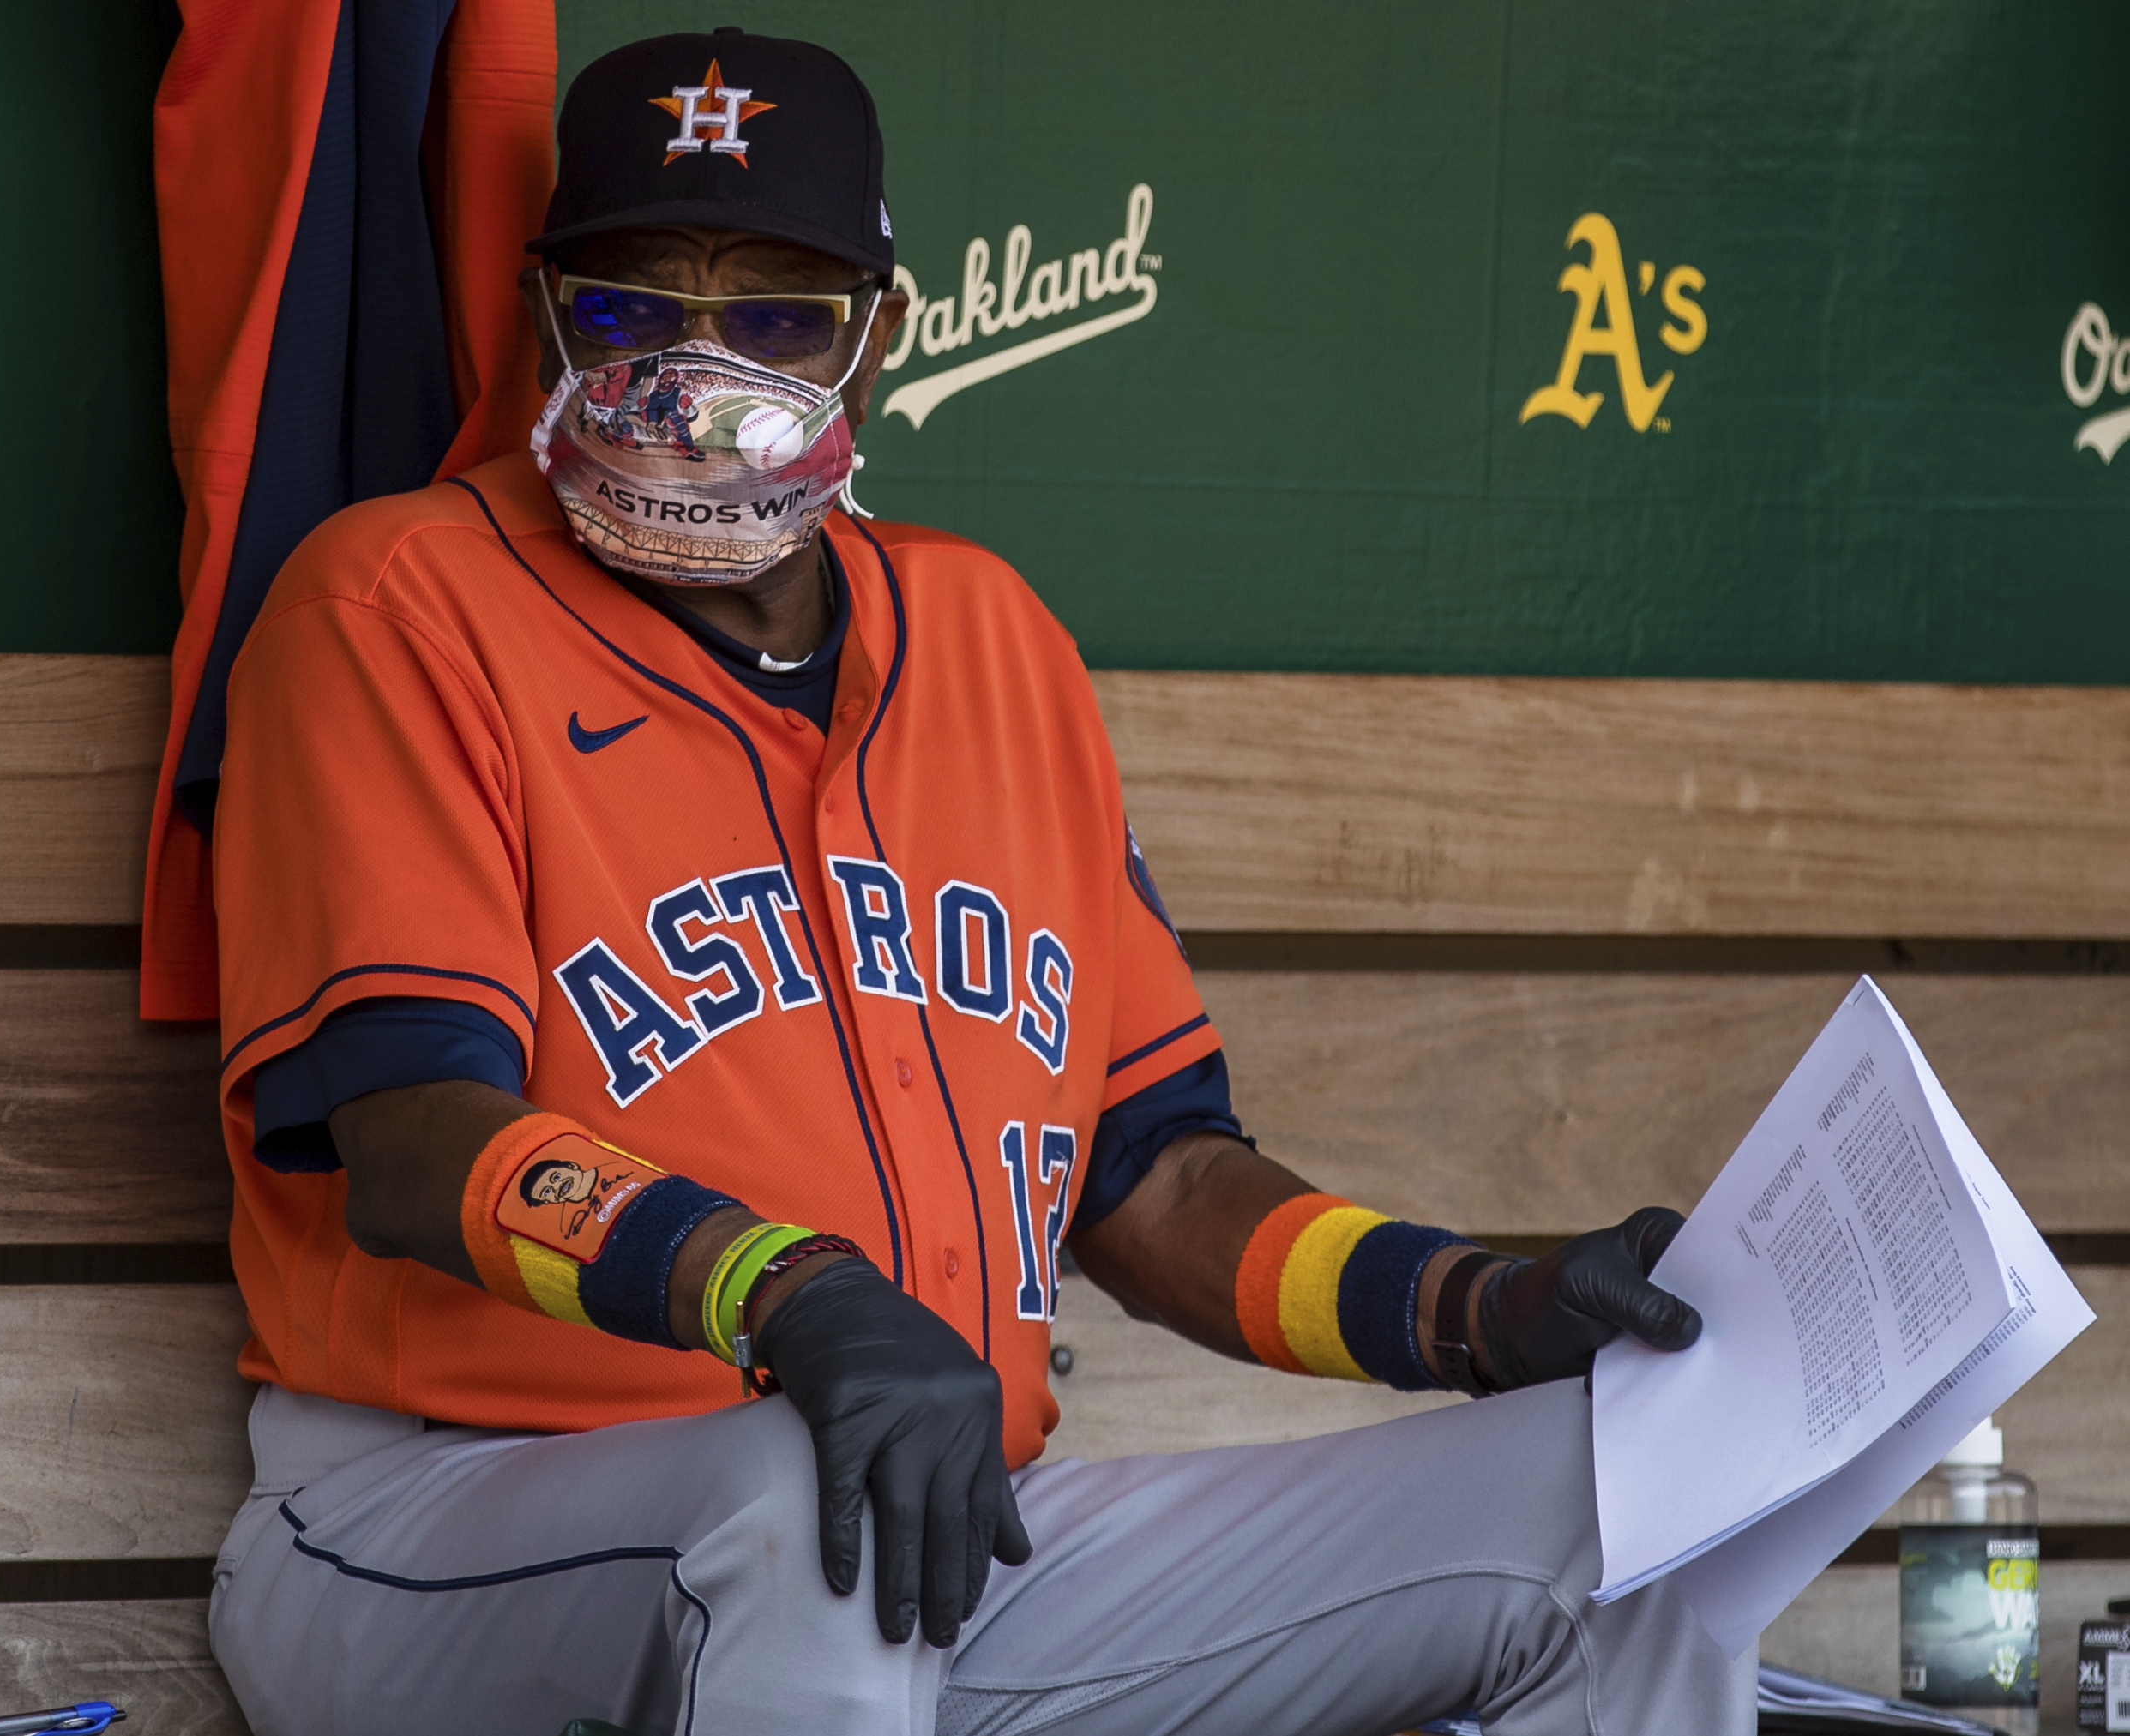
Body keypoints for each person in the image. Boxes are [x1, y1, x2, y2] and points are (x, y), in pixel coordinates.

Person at [203, 27, 1748, 1736]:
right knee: (805, 1492)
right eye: (635, 306)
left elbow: (1151, 1181)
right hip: (437, 1526)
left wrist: (1474, 1306)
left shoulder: (993, 641)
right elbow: (414, 1140)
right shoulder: (396, 605)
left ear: (881, 338)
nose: (698, 368)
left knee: (1634, 1524)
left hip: (934, 1543)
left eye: (778, 315)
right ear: (548, 313)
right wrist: (781, 1284)